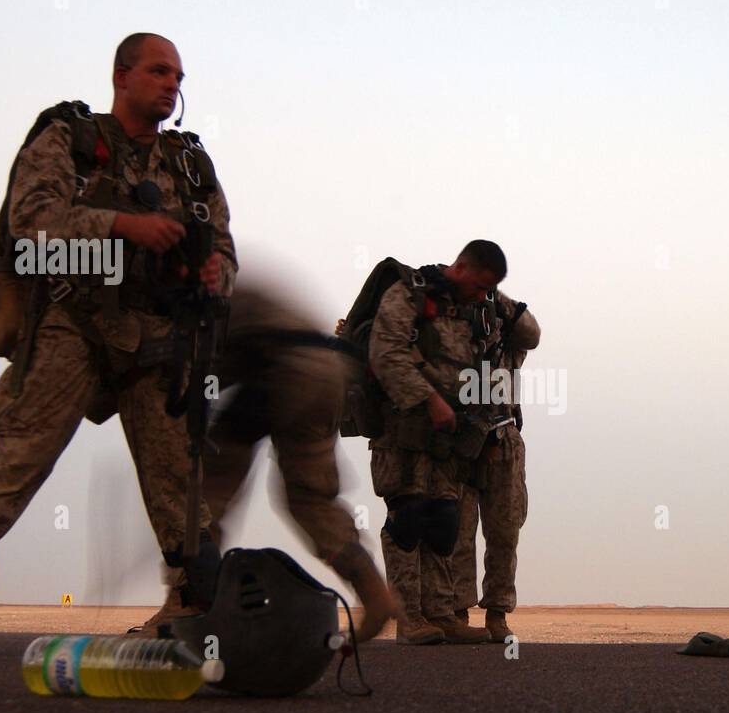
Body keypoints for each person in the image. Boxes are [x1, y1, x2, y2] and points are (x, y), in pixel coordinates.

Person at [0, 33, 236, 647]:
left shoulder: (189, 164)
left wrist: (218, 273)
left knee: (182, 494)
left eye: (178, 76)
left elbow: (221, 243)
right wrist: (121, 225)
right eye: (158, 71)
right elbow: (31, 225)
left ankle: (195, 624)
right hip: (73, 324)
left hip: (160, 340)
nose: (172, 84)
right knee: (13, 465)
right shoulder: (70, 139)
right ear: (122, 76)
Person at [136, 273, 402, 641]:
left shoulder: (182, 295)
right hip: (327, 370)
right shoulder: (230, 281)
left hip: (277, 368)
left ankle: (186, 604)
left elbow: (193, 371)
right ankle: (374, 592)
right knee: (311, 498)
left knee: (206, 489)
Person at [368, 240, 513, 644]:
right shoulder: (409, 295)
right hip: (404, 434)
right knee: (408, 519)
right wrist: (428, 399)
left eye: (490, 291)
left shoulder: (468, 314)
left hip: (447, 440)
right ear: (462, 267)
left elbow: (479, 369)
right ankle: (408, 619)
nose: (482, 296)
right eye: (481, 286)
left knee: (443, 521)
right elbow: (385, 354)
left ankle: (440, 612)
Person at [421, 294, 539, 642]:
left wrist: (497, 298)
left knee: (505, 531)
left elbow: (532, 333)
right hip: (462, 442)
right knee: (458, 529)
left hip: (503, 437)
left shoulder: (509, 337)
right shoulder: (453, 337)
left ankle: (497, 612)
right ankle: (458, 611)